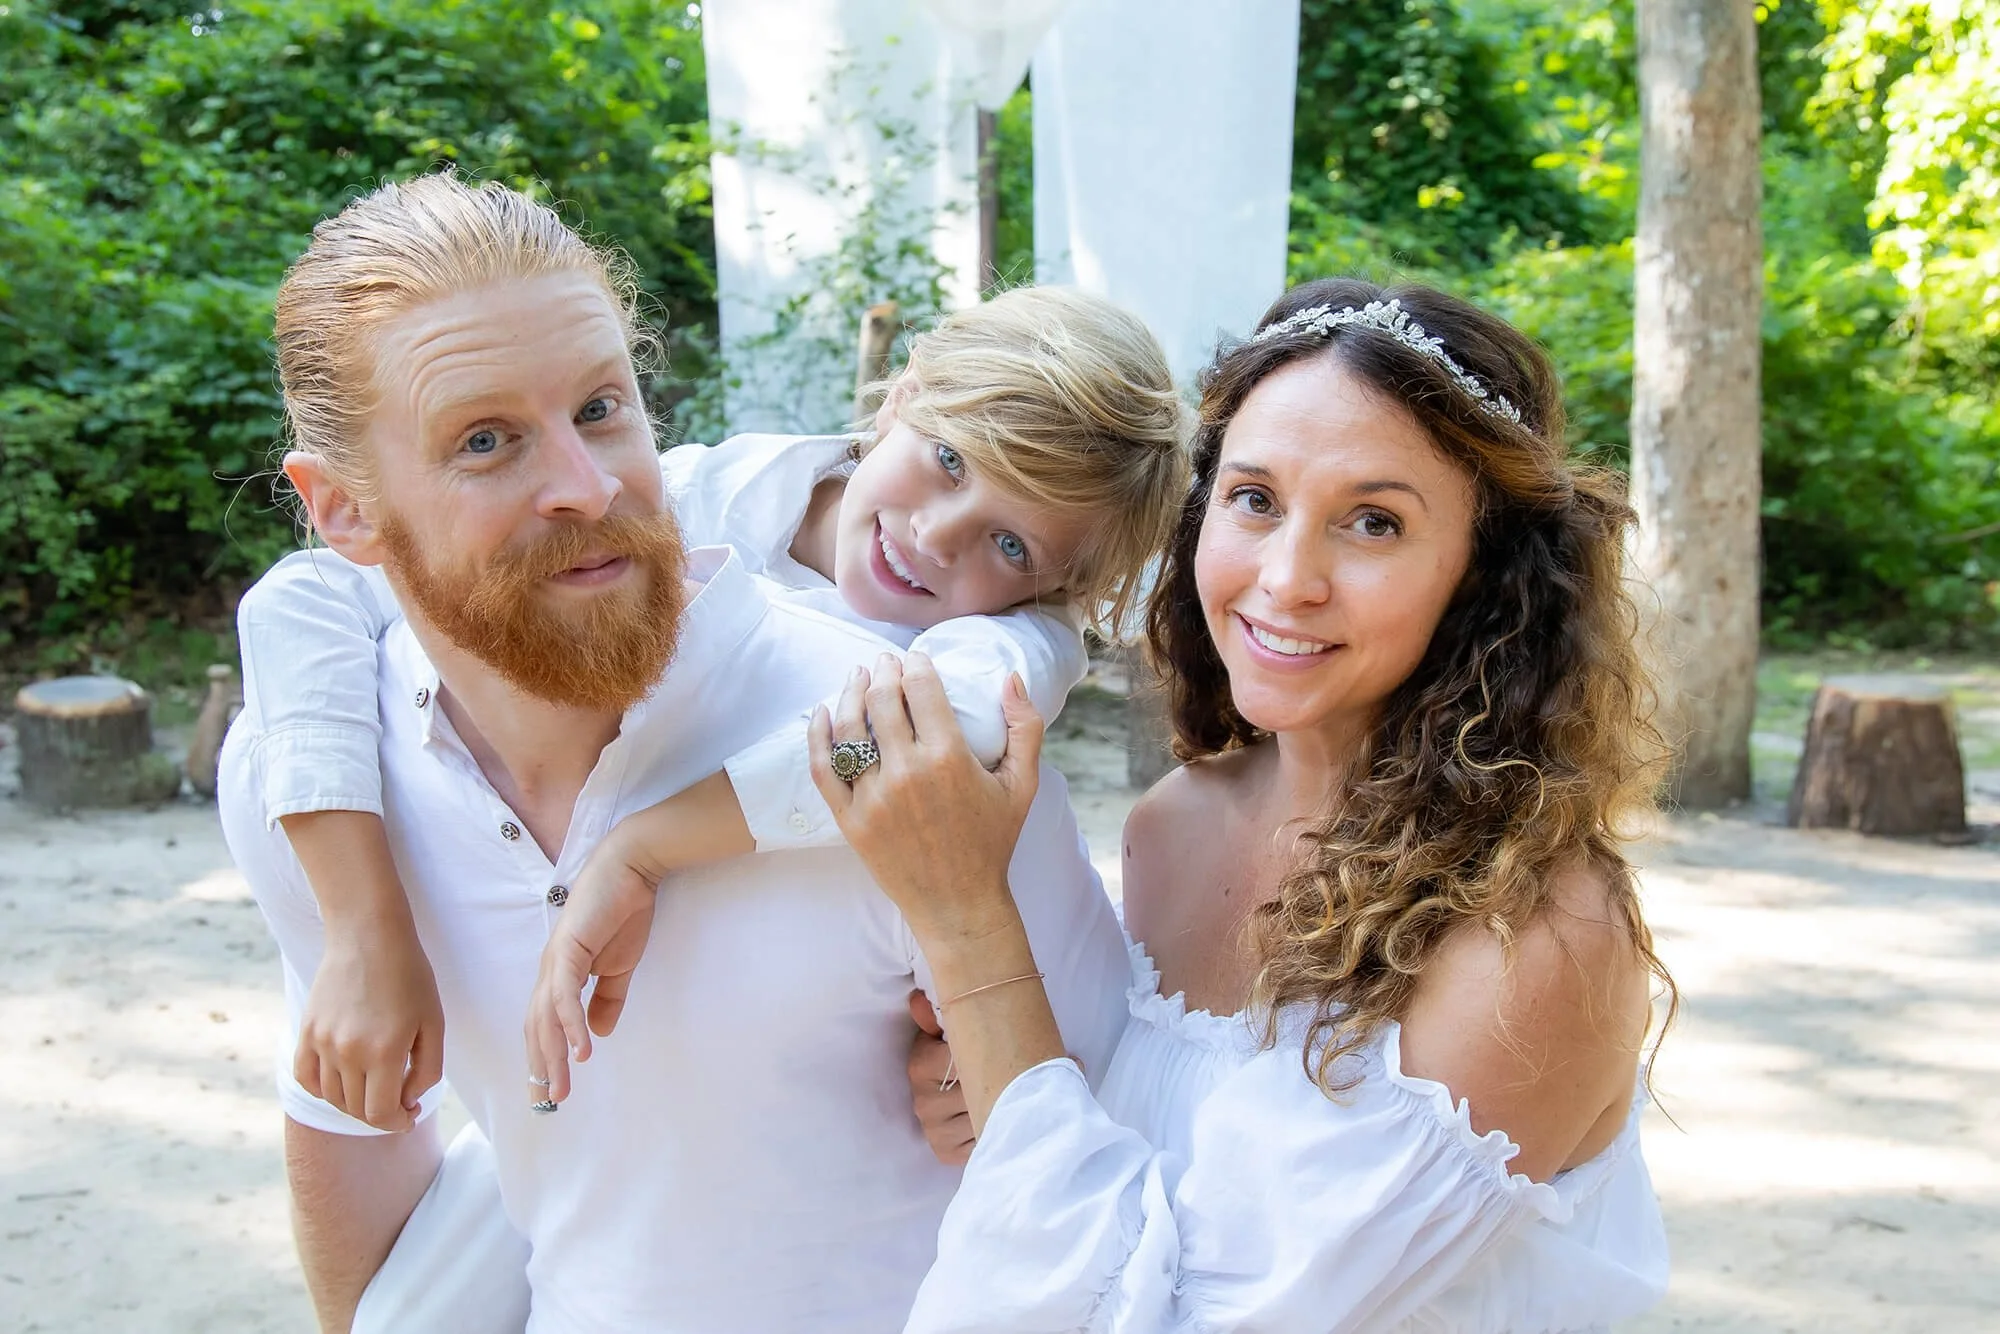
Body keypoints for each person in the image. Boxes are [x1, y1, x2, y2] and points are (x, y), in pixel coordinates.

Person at [217, 172, 1134, 1334]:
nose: (588, 487)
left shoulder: (919, 768)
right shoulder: (312, 779)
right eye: (487, 440)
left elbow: (1110, 1149)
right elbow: (356, 1112)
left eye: (602, 408)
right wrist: (362, 923)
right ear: (344, 510)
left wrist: (1019, 1075)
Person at [812, 279, 1675, 1331]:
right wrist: (1000, 1096)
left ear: (1482, 576)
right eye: (1254, 499)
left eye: (1371, 521)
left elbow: (1177, 1315)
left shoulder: (1531, 934)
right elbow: (1126, 1190)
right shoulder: (1172, 825)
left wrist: (962, 917)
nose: (1286, 576)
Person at [236, 283, 1186, 1125]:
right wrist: (363, 930)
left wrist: (650, 845)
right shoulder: (699, 493)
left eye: (1012, 547)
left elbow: (899, 738)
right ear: (905, 395)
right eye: (947, 462)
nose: (939, 538)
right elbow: (304, 595)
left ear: (1062, 589)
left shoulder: (1009, 647)